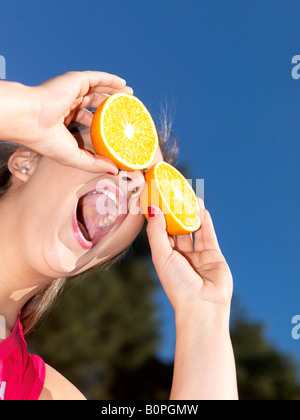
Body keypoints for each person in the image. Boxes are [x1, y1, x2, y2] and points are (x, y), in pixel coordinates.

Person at [0, 71, 238, 400]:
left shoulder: (38, 391)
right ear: (25, 160)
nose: (135, 183)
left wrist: (204, 315)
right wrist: (27, 110)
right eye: (116, 154)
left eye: (145, 199)